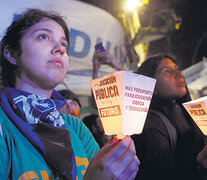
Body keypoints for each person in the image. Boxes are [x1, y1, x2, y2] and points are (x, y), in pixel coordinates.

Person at [0, 8, 140, 180]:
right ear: (11, 53)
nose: (59, 48)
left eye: (64, 44)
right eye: (43, 36)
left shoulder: (75, 127)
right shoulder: (3, 126)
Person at [132, 55, 206, 180]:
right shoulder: (151, 123)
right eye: (167, 71)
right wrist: (199, 165)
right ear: (150, 84)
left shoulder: (183, 111)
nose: (178, 74)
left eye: (177, 69)